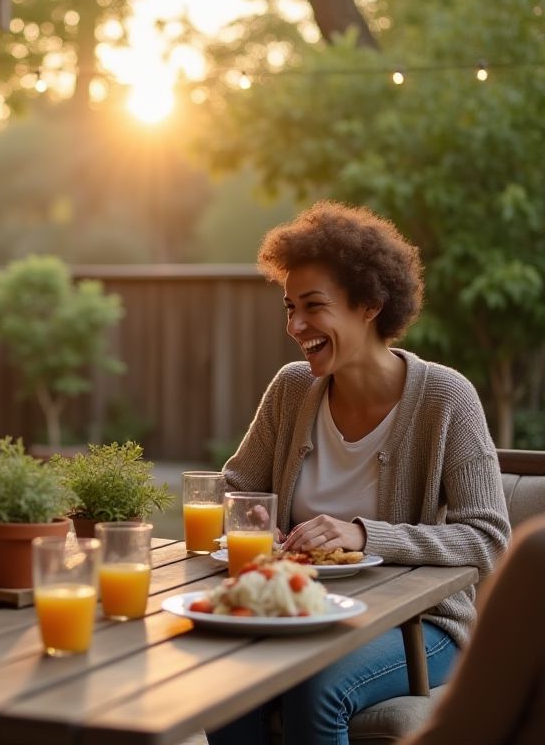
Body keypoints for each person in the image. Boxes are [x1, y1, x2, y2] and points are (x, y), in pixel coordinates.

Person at [209, 201, 511, 745]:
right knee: (225, 683)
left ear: (370, 304)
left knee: (315, 686)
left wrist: (366, 534)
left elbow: (488, 538)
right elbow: (236, 487)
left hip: (420, 625)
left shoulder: (446, 398)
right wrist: (252, 519)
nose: (296, 325)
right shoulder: (291, 388)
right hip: (299, 607)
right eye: (289, 307)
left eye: (314, 306)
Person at [400, 514, 545, 745]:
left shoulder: (538, 555)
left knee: (324, 685)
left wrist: (371, 536)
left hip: (431, 620)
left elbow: (456, 735)